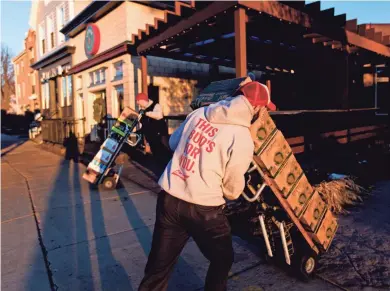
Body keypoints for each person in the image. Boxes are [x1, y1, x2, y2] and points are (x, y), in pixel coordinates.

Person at [139, 81, 276, 291]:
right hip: (204, 210)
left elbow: (174, 143)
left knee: (158, 267)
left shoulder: (200, 113)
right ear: (257, 108)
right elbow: (232, 189)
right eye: (265, 108)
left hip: (170, 198)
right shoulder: (241, 137)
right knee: (223, 258)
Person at [136, 93, 170, 164]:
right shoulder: (143, 109)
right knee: (155, 152)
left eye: (138, 101)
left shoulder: (156, 105)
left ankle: (167, 165)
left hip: (159, 133)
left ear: (142, 100)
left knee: (163, 150)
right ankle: (159, 167)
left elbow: (158, 115)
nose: (138, 104)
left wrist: (146, 113)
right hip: (150, 135)